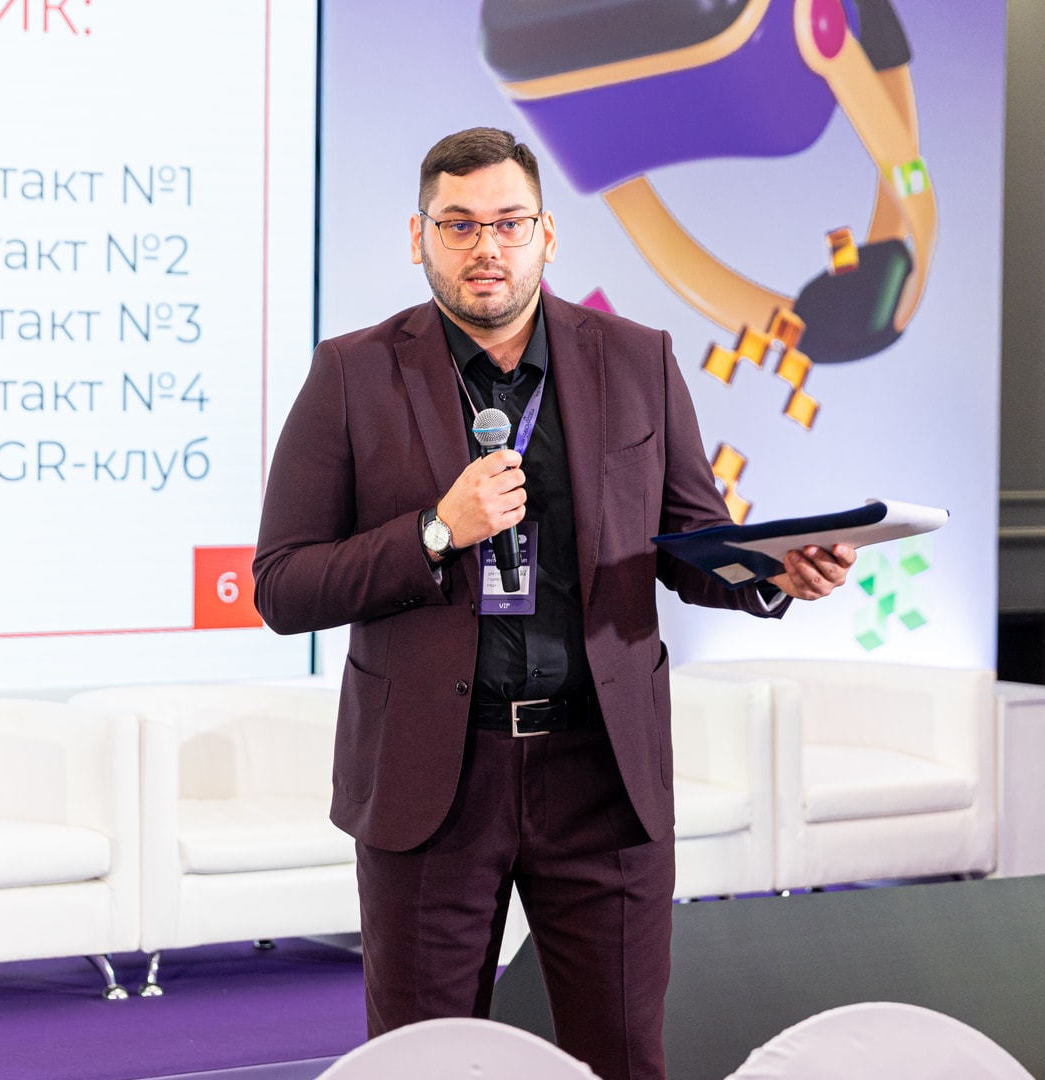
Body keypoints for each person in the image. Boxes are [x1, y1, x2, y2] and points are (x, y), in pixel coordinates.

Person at [252, 127, 855, 1080]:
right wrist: (435, 531)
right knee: (425, 1067)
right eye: (458, 224)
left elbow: (689, 544)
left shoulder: (638, 359)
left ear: (547, 233)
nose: (485, 247)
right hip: (432, 779)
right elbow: (283, 585)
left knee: (624, 1059)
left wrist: (768, 573)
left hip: (601, 773)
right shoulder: (352, 374)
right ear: (417, 237)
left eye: (508, 222)